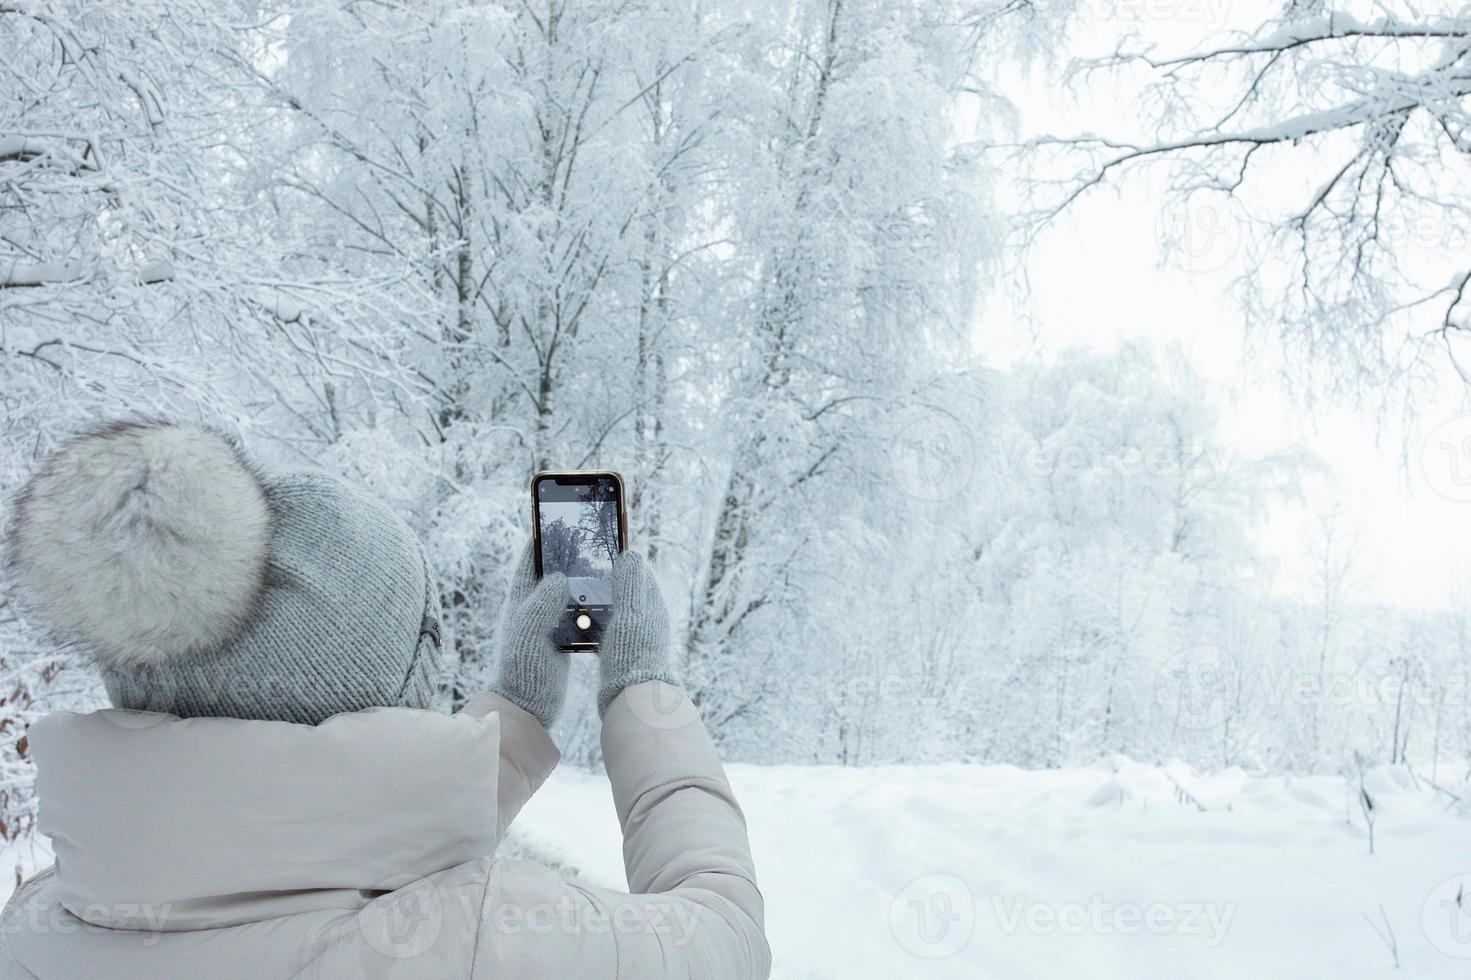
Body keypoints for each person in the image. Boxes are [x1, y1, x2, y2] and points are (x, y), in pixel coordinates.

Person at [0, 420, 770, 978]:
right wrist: (642, 689)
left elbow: (310, 841)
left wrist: (520, 708)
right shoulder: (491, 941)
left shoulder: (41, 921)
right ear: (384, 686)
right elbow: (726, 936)